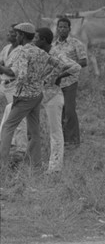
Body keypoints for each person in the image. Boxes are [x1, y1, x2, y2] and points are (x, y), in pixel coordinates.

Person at [0, 23, 70, 169]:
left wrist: (18, 89)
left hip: (24, 97)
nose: (16, 36)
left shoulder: (22, 52)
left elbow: (22, 74)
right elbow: (60, 65)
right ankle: (36, 166)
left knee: (7, 127)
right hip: (37, 95)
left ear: (23, 36)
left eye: (18, 34)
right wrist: (45, 79)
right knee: (34, 132)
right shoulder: (39, 52)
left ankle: (2, 165)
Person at [34, 27, 81, 173]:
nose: (34, 40)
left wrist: (58, 76)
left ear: (43, 40)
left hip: (53, 96)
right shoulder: (42, 53)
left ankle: (55, 168)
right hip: (44, 96)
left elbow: (76, 66)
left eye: (36, 38)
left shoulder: (56, 53)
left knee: (55, 133)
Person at [50, 17, 87, 147]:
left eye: (65, 27)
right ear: (57, 28)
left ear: (69, 29)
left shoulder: (76, 44)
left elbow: (84, 61)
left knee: (70, 111)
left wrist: (68, 67)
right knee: (59, 110)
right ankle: (62, 140)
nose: (62, 29)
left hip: (70, 81)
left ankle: (73, 140)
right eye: (60, 27)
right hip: (56, 82)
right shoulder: (53, 45)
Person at [0, 23, 27, 164]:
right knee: (8, 114)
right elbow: (3, 66)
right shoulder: (6, 48)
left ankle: (20, 150)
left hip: (14, 86)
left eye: (12, 33)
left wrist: (3, 68)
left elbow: (11, 72)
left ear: (19, 35)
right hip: (3, 83)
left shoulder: (22, 51)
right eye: (9, 32)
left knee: (19, 118)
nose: (9, 35)